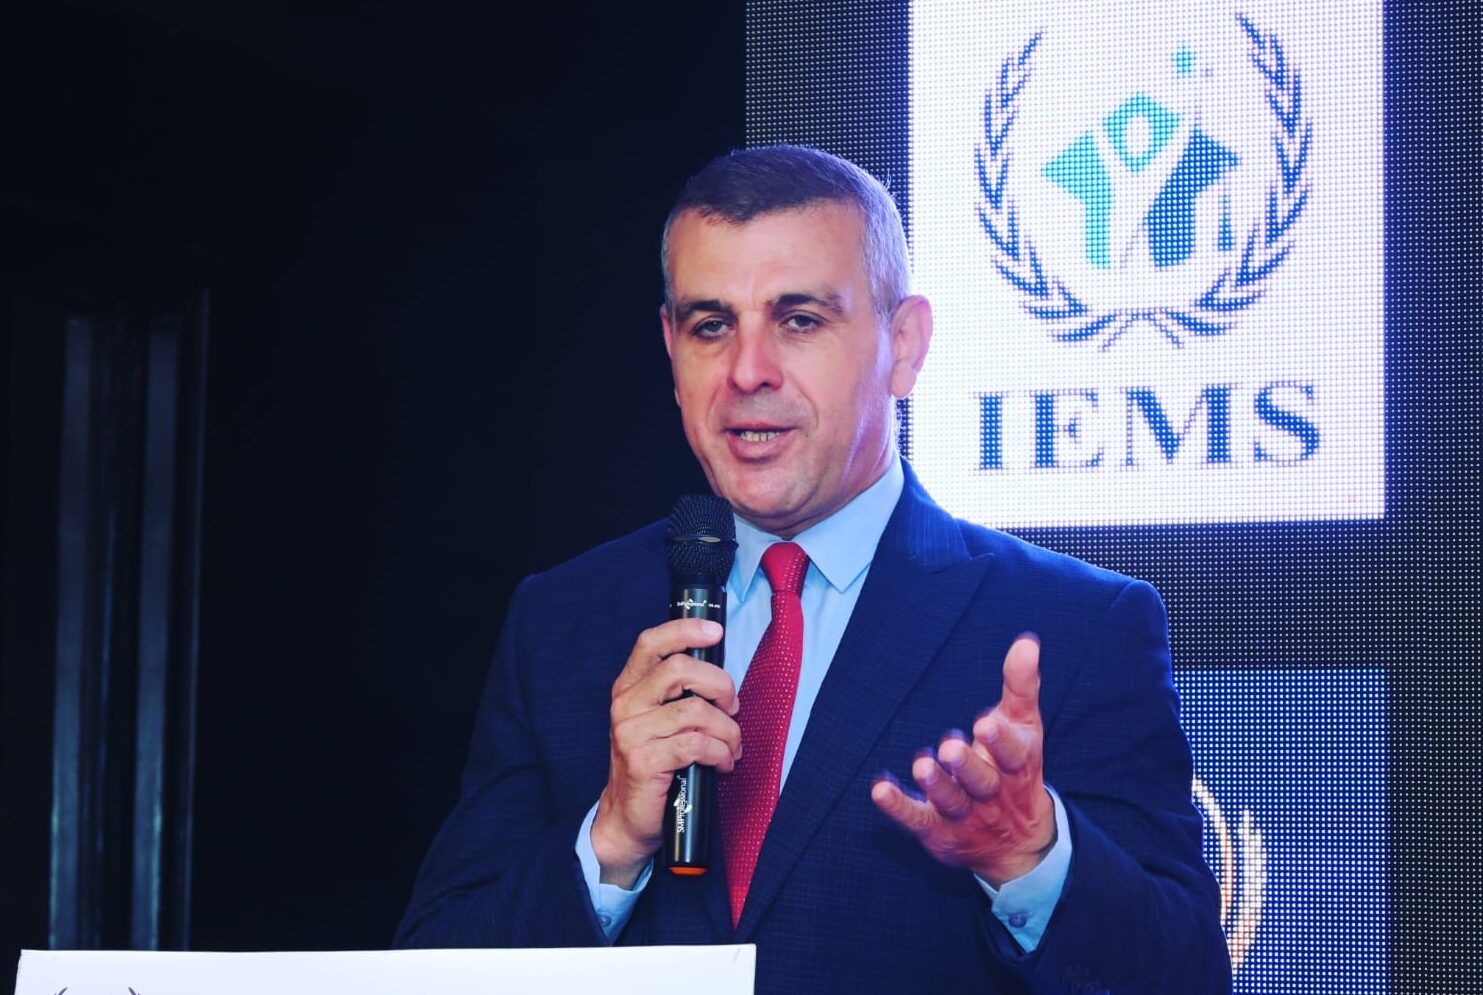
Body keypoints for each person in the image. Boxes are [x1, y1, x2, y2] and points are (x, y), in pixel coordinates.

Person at [395, 145, 1231, 993]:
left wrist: (1030, 860)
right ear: (669, 349)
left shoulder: (1075, 627)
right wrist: (608, 840)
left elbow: (1186, 977)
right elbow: (432, 970)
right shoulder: (560, 620)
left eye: (798, 320)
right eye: (711, 325)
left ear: (904, 345)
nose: (746, 371)